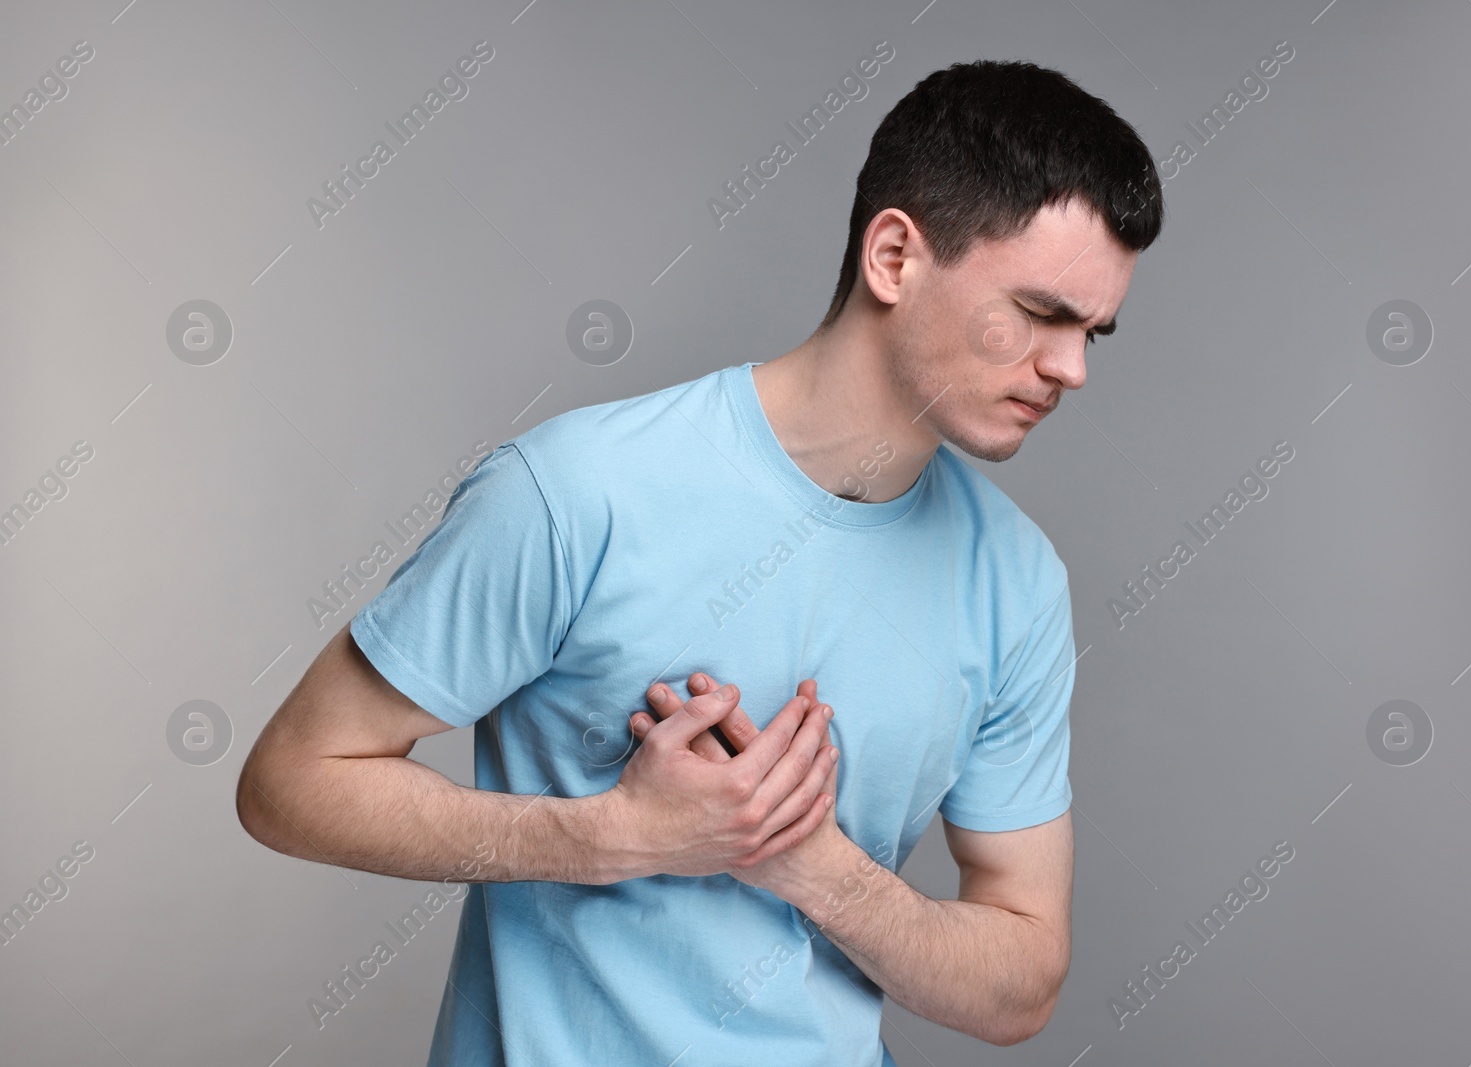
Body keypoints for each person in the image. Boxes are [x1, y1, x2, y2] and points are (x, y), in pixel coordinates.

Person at [236, 57, 1163, 1066]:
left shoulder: (1017, 583)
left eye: (1092, 334)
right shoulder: (575, 491)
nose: (1070, 368)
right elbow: (290, 780)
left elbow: (1021, 982)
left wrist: (814, 867)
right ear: (895, 255)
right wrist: (613, 834)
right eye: (1040, 315)